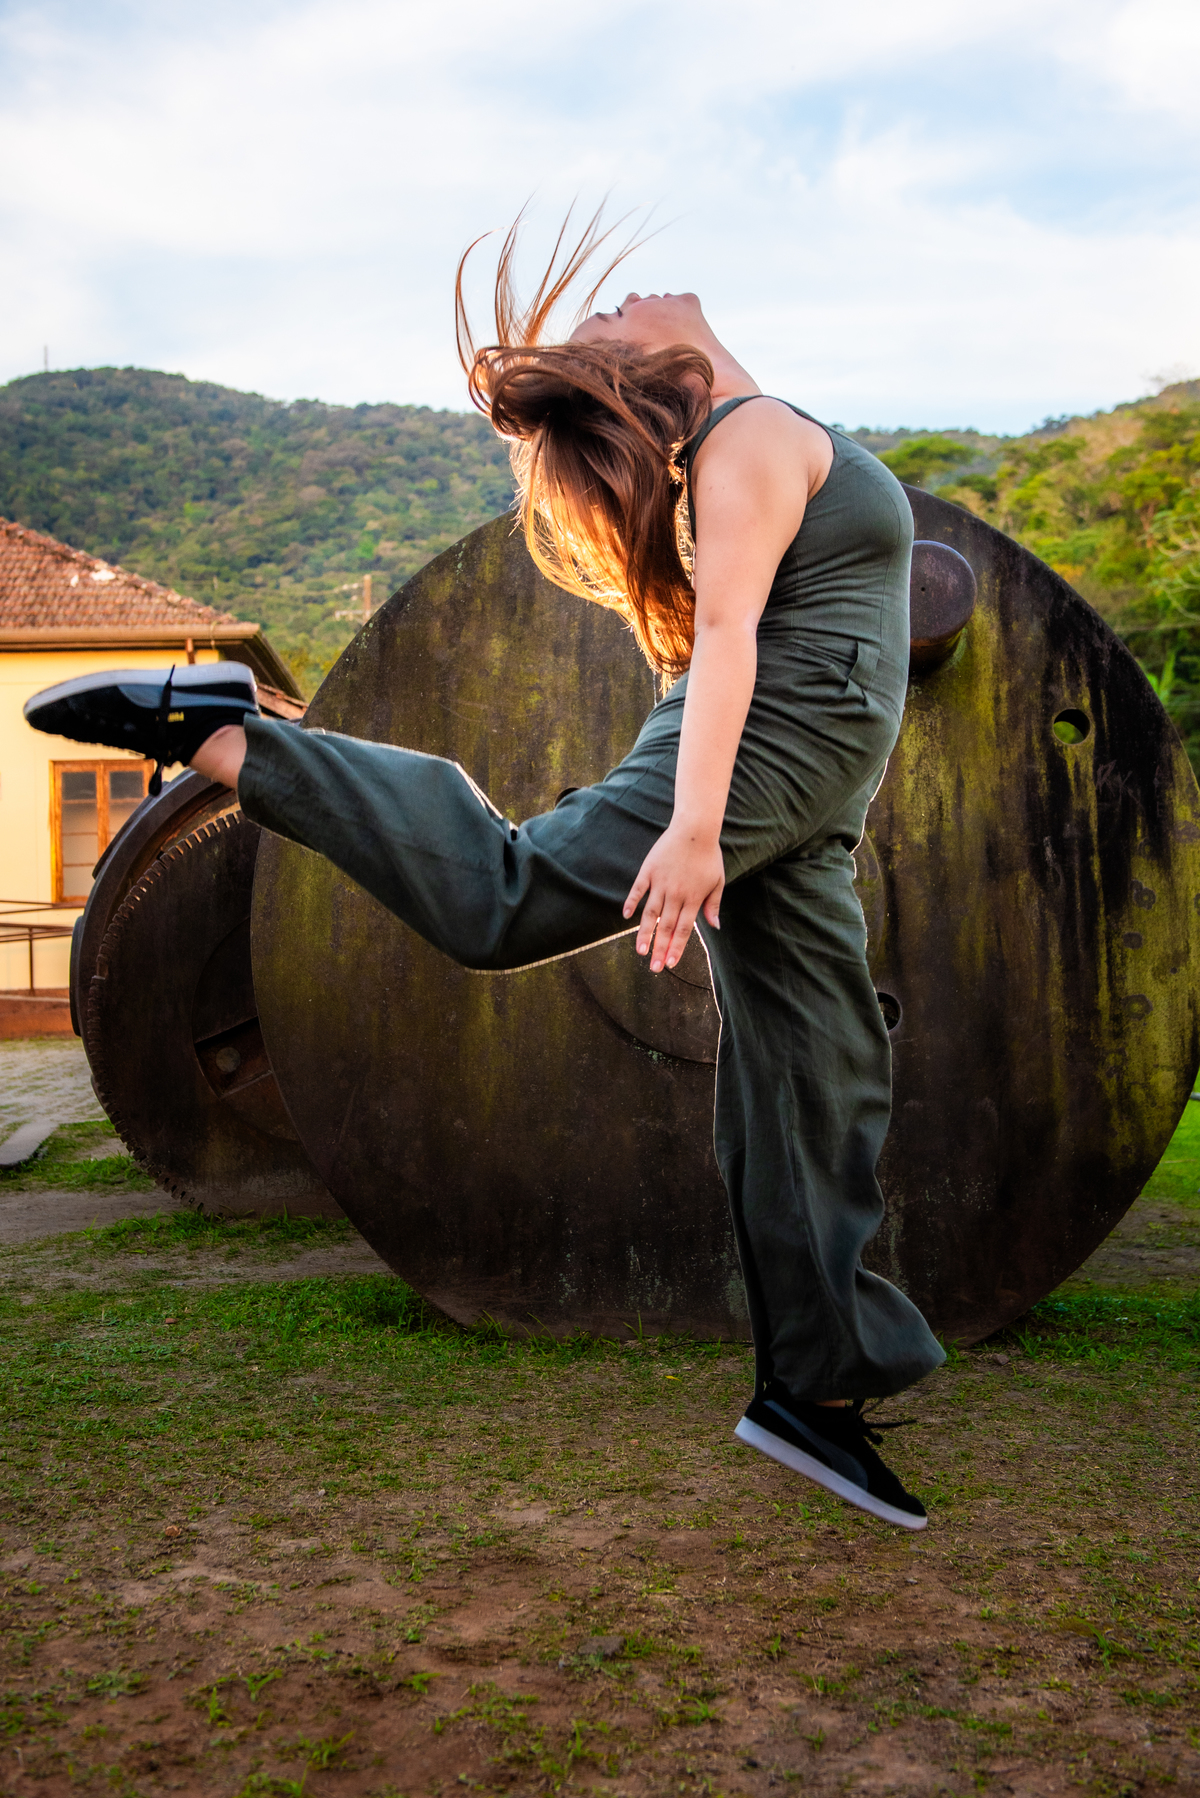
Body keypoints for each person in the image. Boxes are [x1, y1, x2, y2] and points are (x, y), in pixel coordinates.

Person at [25, 214, 944, 1528]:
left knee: (818, 1068)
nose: (620, 298)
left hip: (801, 792)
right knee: (503, 900)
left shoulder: (753, 431)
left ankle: (814, 1385)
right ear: (649, 371)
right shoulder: (742, 437)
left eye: (607, 312)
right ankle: (236, 738)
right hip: (763, 755)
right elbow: (731, 635)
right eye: (606, 321)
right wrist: (696, 827)